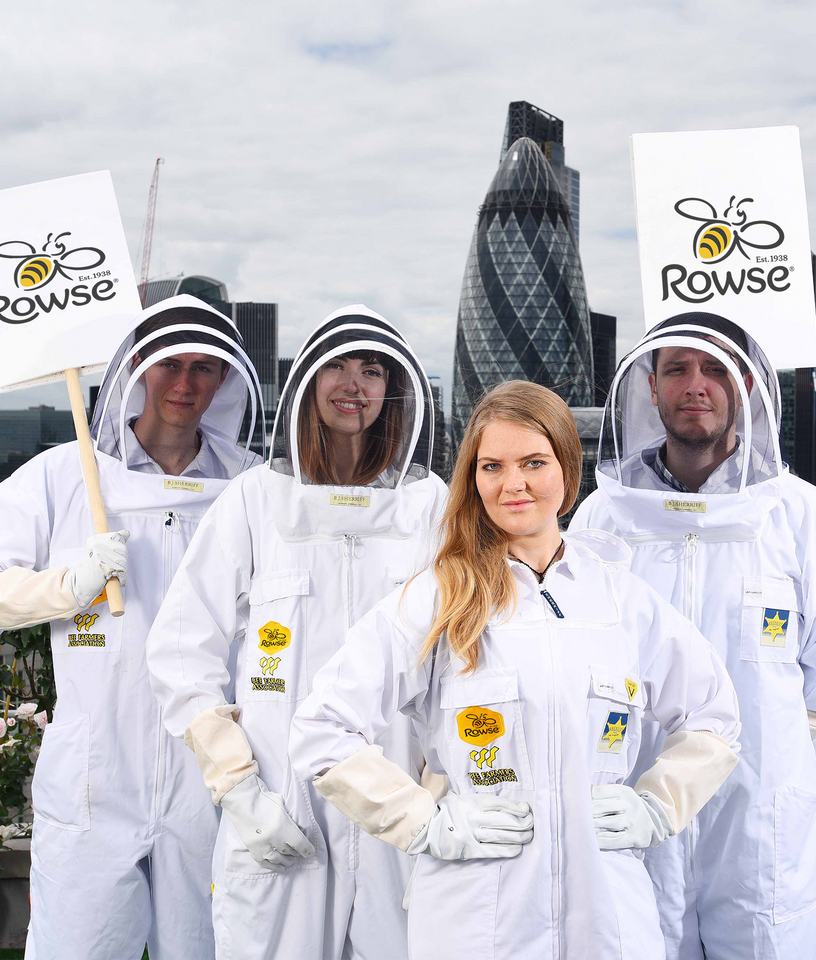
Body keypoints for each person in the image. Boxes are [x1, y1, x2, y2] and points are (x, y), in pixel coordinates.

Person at [287, 379, 742, 960]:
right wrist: (423, 823)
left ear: (567, 472)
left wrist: (657, 803)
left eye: (534, 462)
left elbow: (716, 715)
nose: (513, 484)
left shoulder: (621, 600)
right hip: (477, 921)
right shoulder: (437, 599)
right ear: (473, 481)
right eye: (492, 466)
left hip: (610, 921)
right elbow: (323, 727)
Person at [146, 305, 448, 959]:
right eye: (337, 366)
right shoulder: (255, 499)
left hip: (395, 812)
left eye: (372, 370)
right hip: (284, 808)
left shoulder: (430, 507)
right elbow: (179, 646)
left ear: (392, 392)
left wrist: (439, 789)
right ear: (308, 381)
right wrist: (238, 785)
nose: (353, 384)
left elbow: (468, 652)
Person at [571, 312, 816, 960]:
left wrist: (771, 753)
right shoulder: (602, 520)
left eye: (714, 369)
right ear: (649, 387)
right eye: (677, 368)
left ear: (748, 386)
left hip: (765, 831)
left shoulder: (802, 517)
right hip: (637, 815)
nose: (695, 385)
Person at [0, 294, 264, 960]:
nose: (186, 383)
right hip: (96, 774)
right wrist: (66, 586)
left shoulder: (254, 492)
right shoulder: (65, 477)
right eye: (171, 363)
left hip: (213, 772)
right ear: (139, 365)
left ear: (227, 379)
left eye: (205, 368)